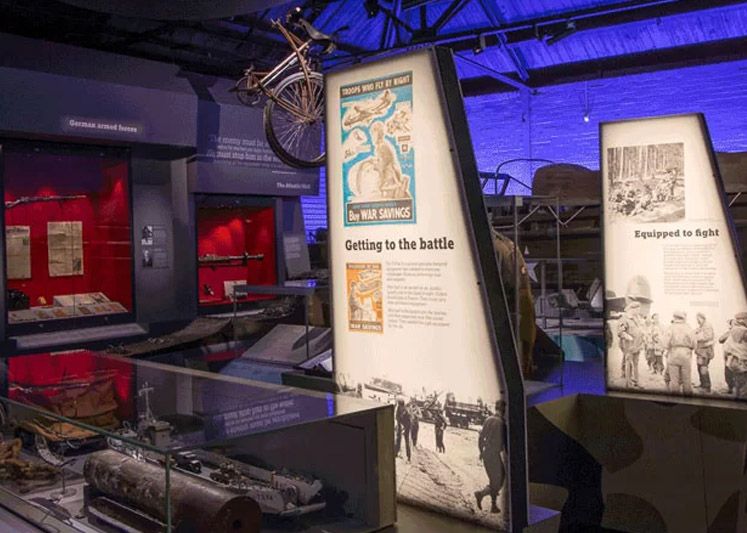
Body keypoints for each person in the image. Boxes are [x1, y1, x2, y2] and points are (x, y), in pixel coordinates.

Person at [475, 400, 507, 514]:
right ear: (504, 410)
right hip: (494, 455)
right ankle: (481, 494)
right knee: (500, 479)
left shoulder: (488, 420)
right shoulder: (502, 423)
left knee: (494, 480)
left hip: (486, 454)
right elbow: (506, 445)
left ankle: (493, 505)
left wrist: (481, 452)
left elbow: (480, 438)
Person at [663, 311, 696, 394]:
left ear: (675, 318)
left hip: (673, 353)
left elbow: (665, 343)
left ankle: (676, 398)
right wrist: (690, 348)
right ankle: (688, 399)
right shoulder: (689, 328)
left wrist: (668, 347)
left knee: (674, 379)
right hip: (686, 354)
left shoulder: (671, 327)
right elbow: (694, 342)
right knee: (687, 378)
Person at [718, 312, 747, 396]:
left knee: (738, 383)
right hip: (741, 361)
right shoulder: (743, 331)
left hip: (733, 360)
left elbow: (721, 339)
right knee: (742, 385)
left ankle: (736, 396)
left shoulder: (733, 331)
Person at [618, 301, 645, 388]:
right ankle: (628, 384)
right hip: (629, 345)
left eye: (639, 309)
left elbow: (640, 329)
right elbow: (620, 332)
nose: (638, 311)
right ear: (632, 309)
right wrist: (628, 337)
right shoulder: (624, 318)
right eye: (637, 309)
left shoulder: (638, 318)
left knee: (636, 364)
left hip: (637, 345)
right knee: (628, 364)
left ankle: (637, 381)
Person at [694, 312, 715, 392]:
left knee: (703, 368)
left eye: (698, 318)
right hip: (701, 351)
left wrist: (696, 336)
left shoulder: (707, 326)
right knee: (699, 367)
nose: (697, 320)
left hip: (705, 351)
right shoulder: (702, 326)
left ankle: (706, 386)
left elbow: (707, 336)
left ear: (701, 318)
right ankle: (702, 384)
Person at [394, 398, 411, 462]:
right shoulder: (398, 408)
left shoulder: (406, 411)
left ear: (401, 405)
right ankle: (396, 453)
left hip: (407, 426)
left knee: (406, 441)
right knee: (398, 439)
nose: (398, 405)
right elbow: (397, 417)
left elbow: (408, 422)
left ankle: (408, 457)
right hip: (400, 424)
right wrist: (399, 425)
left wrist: (404, 429)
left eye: (399, 404)